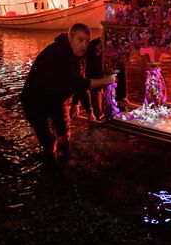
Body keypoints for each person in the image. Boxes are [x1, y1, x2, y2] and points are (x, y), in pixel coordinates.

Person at [20, 23, 116, 163]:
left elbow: (80, 82)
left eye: (87, 41)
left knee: (64, 132)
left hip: (57, 100)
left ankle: (66, 159)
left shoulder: (77, 55)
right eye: (80, 40)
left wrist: (87, 110)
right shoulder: (59, 54)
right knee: (49, 140)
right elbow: (78, 83)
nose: (84, 45)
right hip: (35, 102)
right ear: (70, 38)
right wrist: (106, 80)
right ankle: (51, 169)